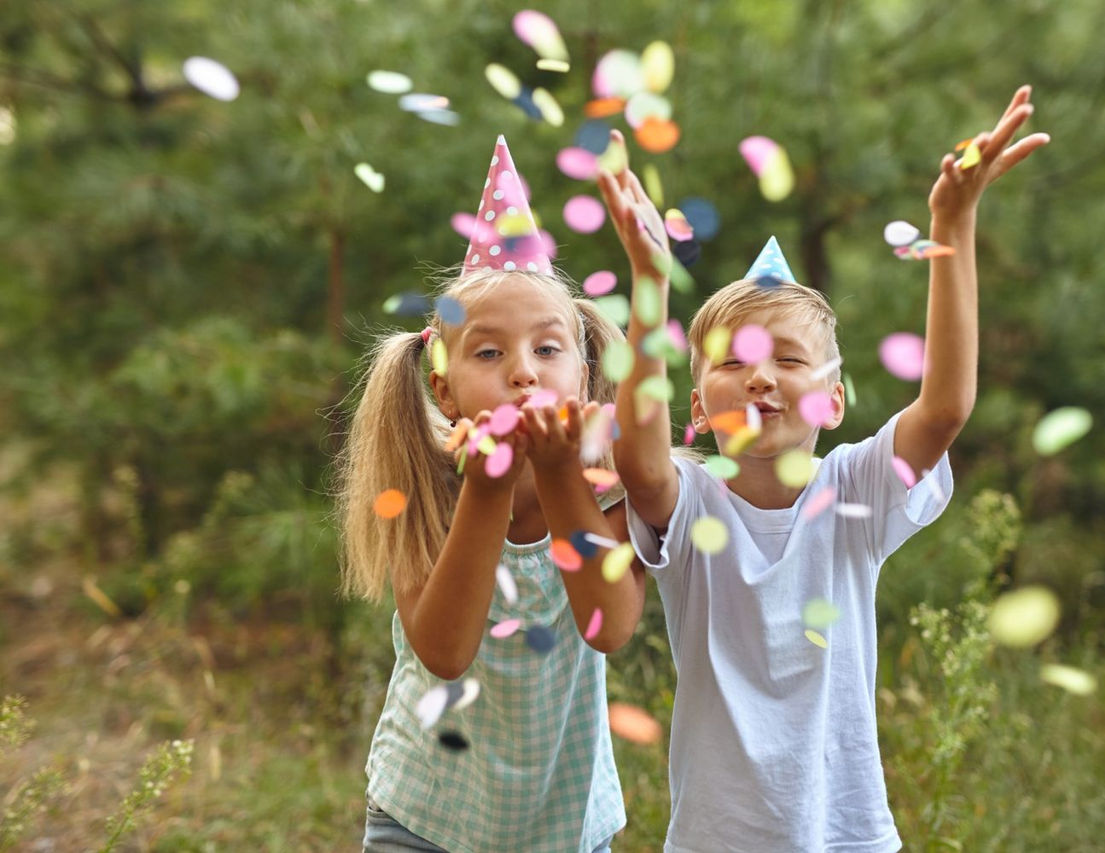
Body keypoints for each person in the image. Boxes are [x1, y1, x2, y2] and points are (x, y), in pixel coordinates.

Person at [597, 87, 1050, 851]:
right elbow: (639, 462)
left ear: (834, 401)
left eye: (788, 358)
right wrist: (648, 278)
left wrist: (951, 226)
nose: (760, 376)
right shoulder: (691, 497)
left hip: (848, 834)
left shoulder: (854, 492)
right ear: (699, 405)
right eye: (734, 362)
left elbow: (943, 409)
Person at [337, 136, 647, 853]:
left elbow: (610, 626)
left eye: (547, 349)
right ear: (441, 383)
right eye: (488, 352)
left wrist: (562, 473)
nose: (523, 373)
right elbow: (444, 650)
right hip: (427, 820)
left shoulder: (611, 482)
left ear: (582, 363)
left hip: (567, 824)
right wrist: (488, 488)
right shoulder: (423, 482)